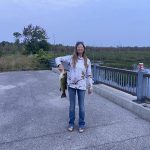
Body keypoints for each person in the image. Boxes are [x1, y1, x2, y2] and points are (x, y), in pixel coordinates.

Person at [55, 41, 93, 133]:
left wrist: (90, 86)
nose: (80, 49)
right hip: (71, 86)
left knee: (82, 107)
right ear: (76, 48)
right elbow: (58, 58)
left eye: (81, 47)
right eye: (78, 47)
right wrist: (59, 65)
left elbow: (89, 75)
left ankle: (81, 124)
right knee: (72, 106)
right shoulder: (70, 58)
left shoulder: (87, 61)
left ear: (84, 49)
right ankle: (71, 123)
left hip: (82, 86)